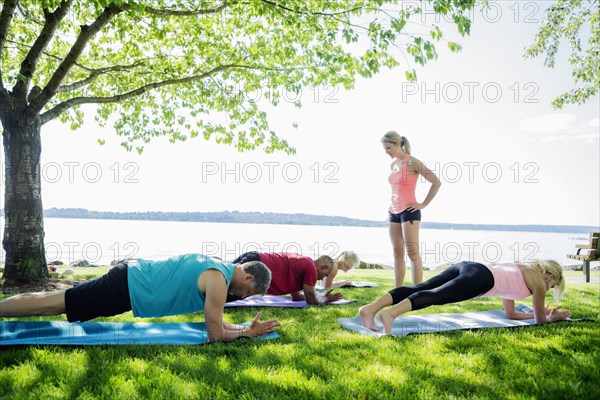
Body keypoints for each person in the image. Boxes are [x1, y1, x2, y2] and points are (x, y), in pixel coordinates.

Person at [0, 254, 280, 342]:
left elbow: (218, 323)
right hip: (127, 285)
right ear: (248, 278)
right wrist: (245, 334)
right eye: (248, 293)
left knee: (59, 303)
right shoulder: (218, 281)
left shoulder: (219, 268)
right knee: (54, 304)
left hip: (130, 283)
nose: (243, 297)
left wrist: (246, 329)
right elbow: (215, 334)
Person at [359, 260, 571, 335]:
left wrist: (541, 313)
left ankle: (370, 309)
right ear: (550, 277)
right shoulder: (538, 282)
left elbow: (511, 314)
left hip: (471, 266)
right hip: (481, 278)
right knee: (436, 296)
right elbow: (540, 321)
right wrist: (550, 317)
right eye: (551, 286)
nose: (547, 289)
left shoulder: (521, 269)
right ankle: (391, 315)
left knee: (422, 287)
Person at [381, 131, 441, 287]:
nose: (386, 152)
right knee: (397, 253)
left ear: (396, 144)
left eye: (388, 148)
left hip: (409, 211)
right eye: (385, 149)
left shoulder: (412, 162)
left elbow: (436, 182)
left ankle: (416, 292)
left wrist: (424, 204)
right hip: (393, 212)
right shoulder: (393, 164)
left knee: (412, 253)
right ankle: (398, 291)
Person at [229, 251, 343, 305]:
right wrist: (326, 299)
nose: (322, 278)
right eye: (326, 275)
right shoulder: (311, 268)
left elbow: (296, 297)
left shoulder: (305, 265)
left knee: (221, 275)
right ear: (323, 267)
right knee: (231, 292)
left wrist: (319, 296)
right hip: (256, 265)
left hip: (253, 257)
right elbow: (311, 301)